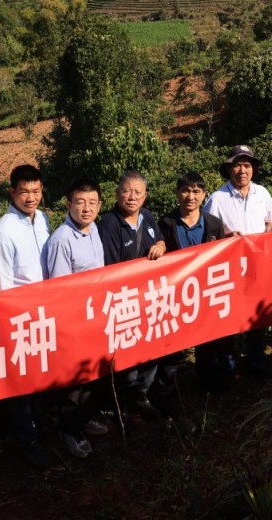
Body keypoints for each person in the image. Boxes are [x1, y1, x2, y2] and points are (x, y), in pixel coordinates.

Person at [0, 164, 55, 470]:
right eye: (24, 192)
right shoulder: (4, 232)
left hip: (46, 311)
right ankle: (25, 439)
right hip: (21, 318)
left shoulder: (42, 219)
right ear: (12, 192)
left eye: (36, 191)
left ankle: (38, 423)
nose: (31, 198)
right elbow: (3, 286)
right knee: (22, 381)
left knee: (42, 374)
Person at [42, 178, 111, 458]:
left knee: (91, 374)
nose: (86, 208)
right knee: (73, 382)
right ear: (69, 204)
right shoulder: (62, 239)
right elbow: (60, 291)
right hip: (73, 321)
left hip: (95, 316)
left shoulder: (94, 229)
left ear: (99, 205)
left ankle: (83, 419)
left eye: (92, 203)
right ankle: (69, 431)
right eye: (80, 202)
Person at [203, 145, 272, 377]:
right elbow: (208, 235)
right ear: (229, 169)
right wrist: (226, 238)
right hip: (230, 269)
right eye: (237, 165)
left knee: (258, 313)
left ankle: (256, 359)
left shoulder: (262, 194)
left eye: (247, 165)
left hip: (258, 266)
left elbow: (271, 222)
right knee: (230, 315)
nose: (242, 170)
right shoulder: (217, 199)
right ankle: (228, 361)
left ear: (253, 169)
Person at [99, 170, 166, 419]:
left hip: (150, 298)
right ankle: (121, 404)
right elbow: (109, 269)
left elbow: (160, 240)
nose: (132, 197)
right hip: (124, 301)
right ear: (117, 193)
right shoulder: (109, 223)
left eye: (138, 192)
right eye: (127, 191)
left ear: (145, 196)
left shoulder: (147, 216)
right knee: (126, 355)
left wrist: (160, 245)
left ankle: (142, 395)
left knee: (151, 348)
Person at [157, 173, 231, 394]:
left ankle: (208, 385)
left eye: (196, 191)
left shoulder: (214, 224)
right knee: (172, 343)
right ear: (177, 193)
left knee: (208, 340)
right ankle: (168, 389)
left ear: (204, 195)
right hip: (176, 293)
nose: (191, 196)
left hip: (206, 290)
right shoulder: (166, 223)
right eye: (186, 191)